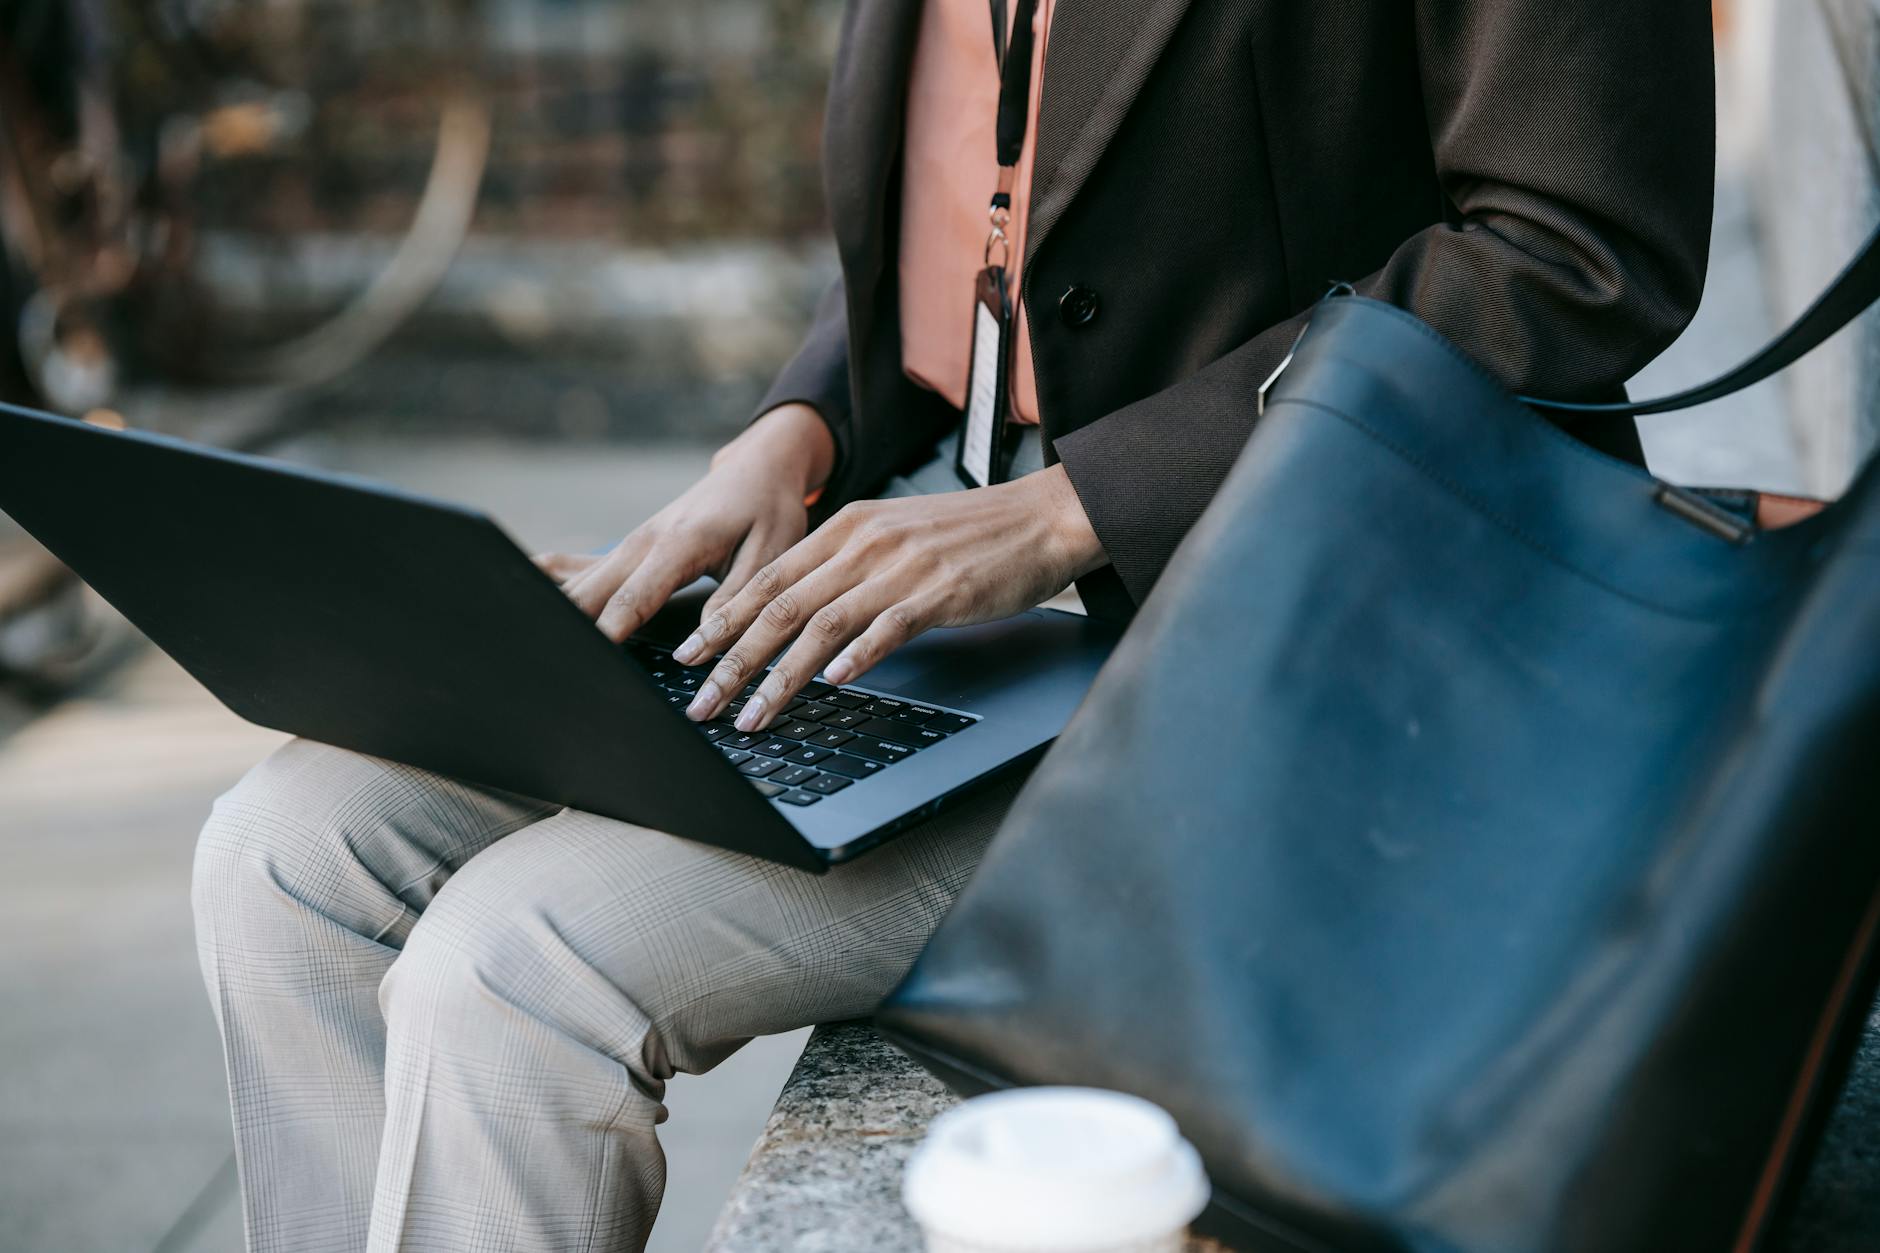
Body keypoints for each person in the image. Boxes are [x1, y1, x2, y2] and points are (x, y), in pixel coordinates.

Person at [192, 1, 1717, 1249]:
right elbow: (986, 219)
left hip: (1286, 643)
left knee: (512, 965)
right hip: (943, 598)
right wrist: (795, 433)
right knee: (284, 850)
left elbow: (1576, 252)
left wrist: (1070, 509)